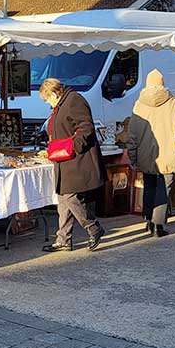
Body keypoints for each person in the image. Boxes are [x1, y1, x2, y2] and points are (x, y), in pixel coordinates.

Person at [40, 78, 105, 252]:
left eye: (48, 99)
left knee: (70, 197)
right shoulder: (62, 104)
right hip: (64, 160)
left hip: (75, 159)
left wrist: (73, 147)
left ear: (54, 93)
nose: (48, 103)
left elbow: (86, 127)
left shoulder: (74, 100)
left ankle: (93, 227)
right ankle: (63, 239)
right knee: (63, 199)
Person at [126, 70, 175, 238]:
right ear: (163, 83)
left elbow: (132, 135)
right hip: (169, 153)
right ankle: (158, 224)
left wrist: (132, 157)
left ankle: (149, 219)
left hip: (146, 154)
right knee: (164, 188)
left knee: (149, 186)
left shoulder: (139, 105)